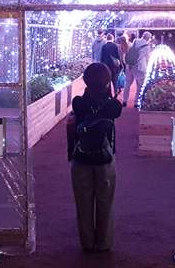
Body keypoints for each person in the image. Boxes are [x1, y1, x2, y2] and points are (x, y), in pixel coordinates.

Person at [66, 63, 122, 252]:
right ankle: (104, 243)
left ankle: (87, 243)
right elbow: (113, 110)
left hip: (81, 158)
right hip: (105, 158)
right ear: (107, 82)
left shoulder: (78, 103)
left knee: (83, 204)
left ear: (85, 81)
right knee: (106, 202)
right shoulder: (113, 106)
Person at [122, 31, 152, 108]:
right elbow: (148, 58)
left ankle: (124, 101)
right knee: (139, 85)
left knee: (127, 83)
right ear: (148, 38)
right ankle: (136, 102)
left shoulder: (135, 41)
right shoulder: (147, 46)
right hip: (139, 67)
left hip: (129, 65)